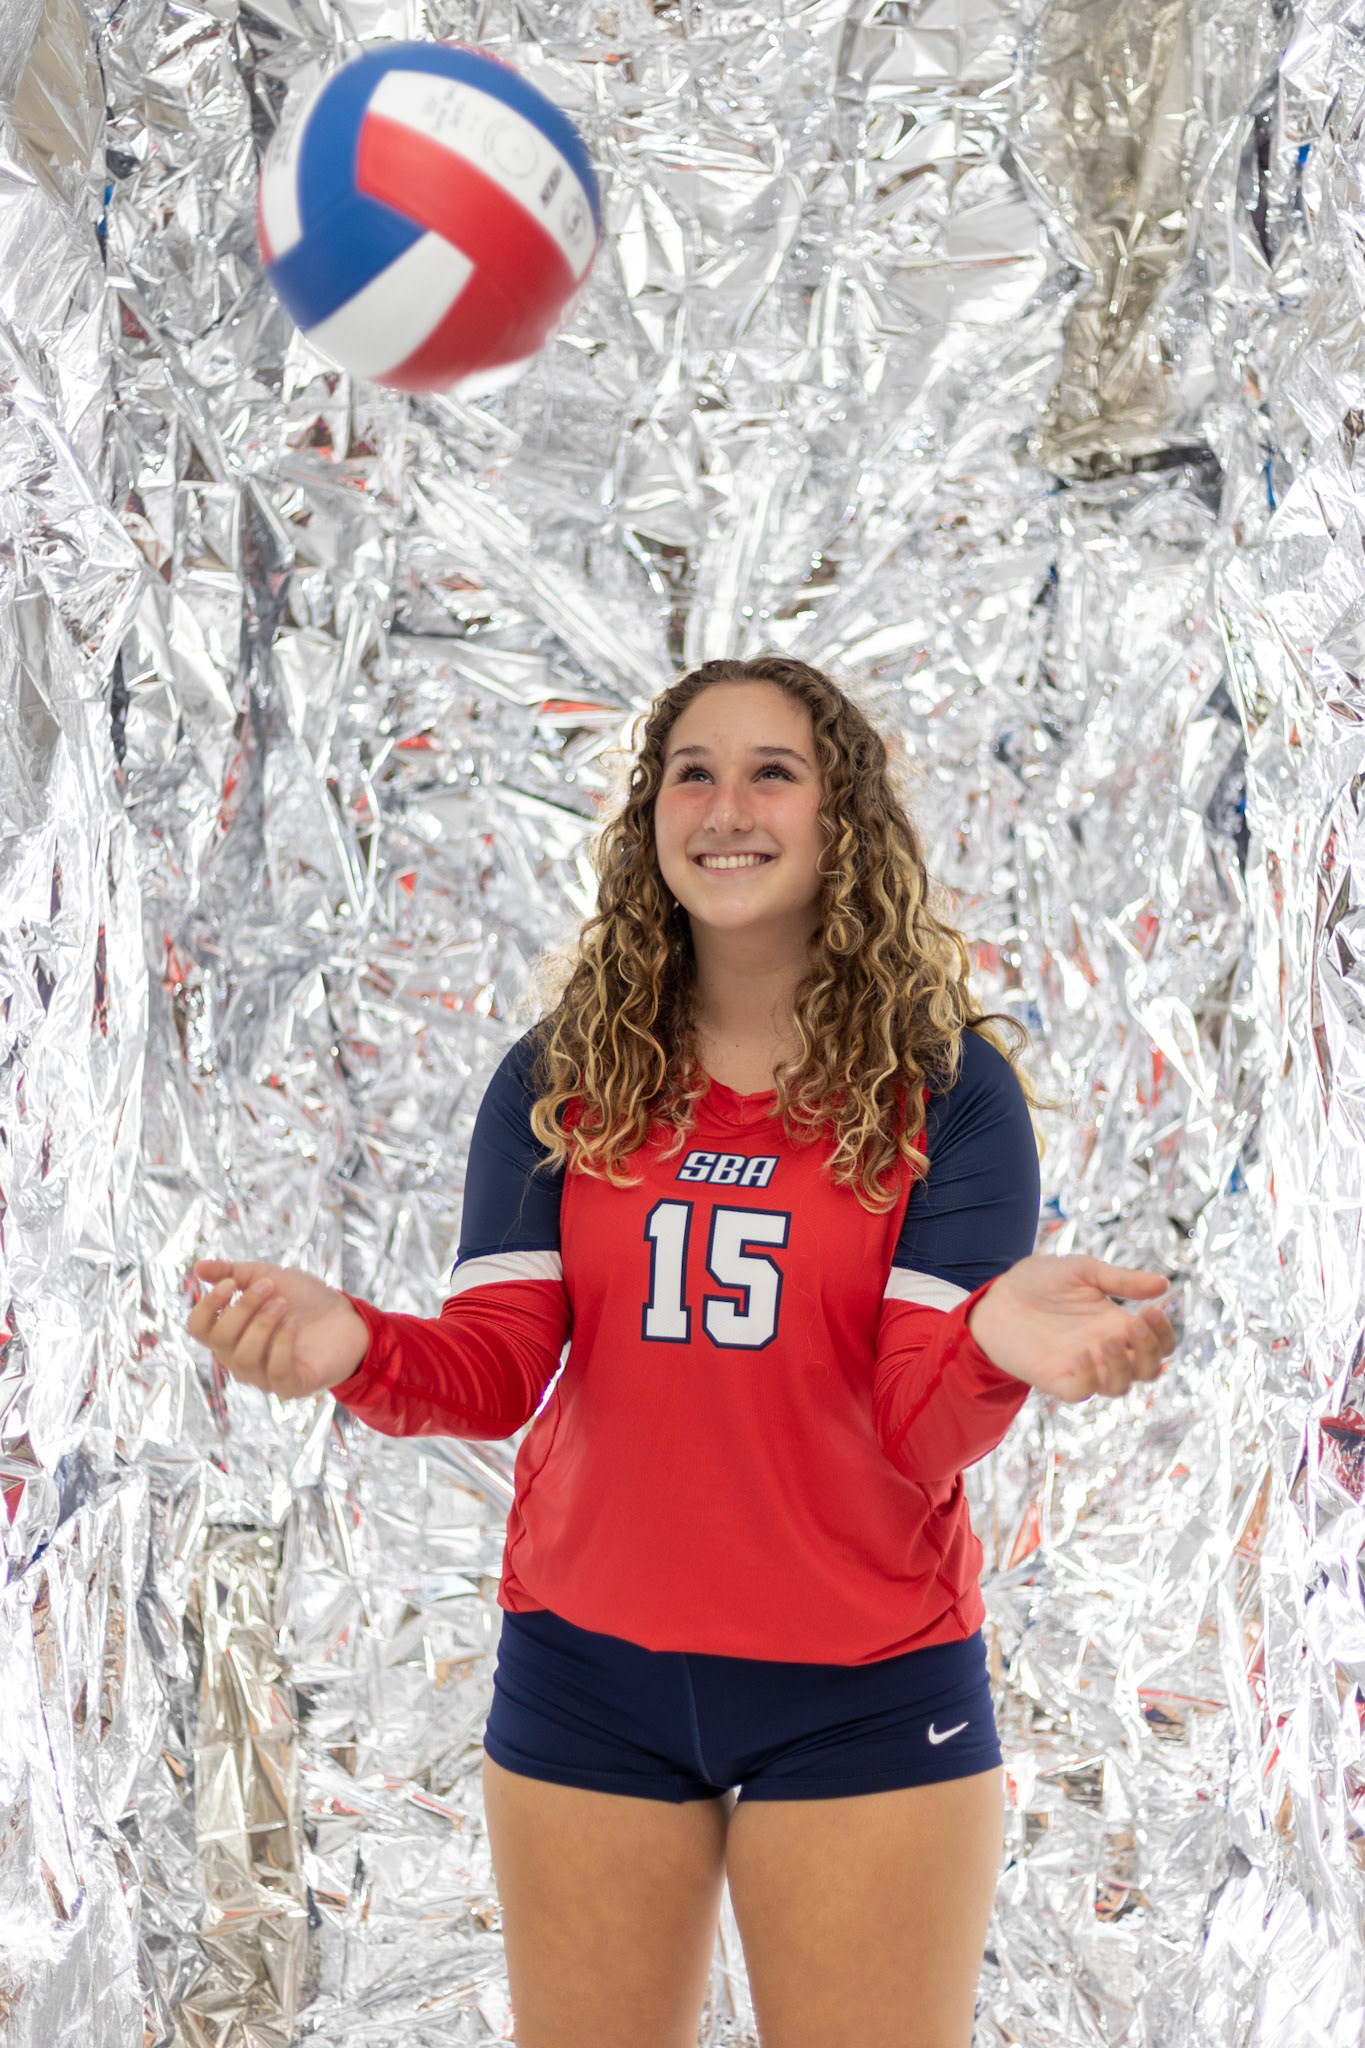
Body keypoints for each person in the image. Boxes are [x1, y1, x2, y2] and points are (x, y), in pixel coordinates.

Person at [186, 655, 1174, 2048]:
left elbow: (917, 1425)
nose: (725, 805)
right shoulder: (563, 1073)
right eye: (688, 772)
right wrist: (349, 1344)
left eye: (772, 770)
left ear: (843, 817)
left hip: (862, 1695)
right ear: (647, 816)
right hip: (586, 1683)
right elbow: (492, 1367)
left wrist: (995, 1339)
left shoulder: (945, 1089)